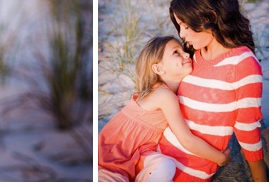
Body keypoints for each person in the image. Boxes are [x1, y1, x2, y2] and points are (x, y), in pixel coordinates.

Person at [159, 0, 266, 182]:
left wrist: (261, 180)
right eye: (179, 26)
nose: (182, 34)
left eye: (186, 26)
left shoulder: (242, 64)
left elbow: (247, 129)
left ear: (211, 16)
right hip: (155, 154)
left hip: (188, 170)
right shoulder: (193, 55)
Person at [98, 36, 230, 181]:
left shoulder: (166, 92)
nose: (186, 54)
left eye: (183, 50)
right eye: (176, 52)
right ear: (159, 68)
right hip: (112, 158)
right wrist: (221, 158)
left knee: (165, 166)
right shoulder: (164, 95)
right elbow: (186, 140)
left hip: (139, 154)